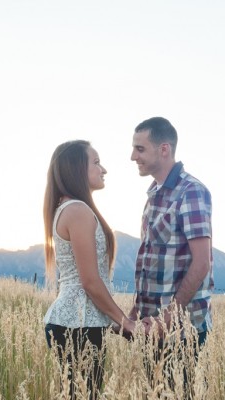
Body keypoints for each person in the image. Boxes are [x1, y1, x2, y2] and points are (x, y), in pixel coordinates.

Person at [42, 140, 136, 399]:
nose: (103, 169)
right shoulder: (77, 211)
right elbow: (90, 282)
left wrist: (115, 323)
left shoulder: (70, 209)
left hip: (76, 323)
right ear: (76, 169)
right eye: (95, 162)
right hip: (77, 327)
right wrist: (125, 322)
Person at [128, 117, 214, 390]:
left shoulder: (191, 192)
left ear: (164, 149)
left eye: (140, 149)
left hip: (181, 329)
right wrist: (135, 312)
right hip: (150, 325)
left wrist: (167, 319)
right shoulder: (154, 194)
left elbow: (202, 263)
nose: (133, 156)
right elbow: (152, 260)